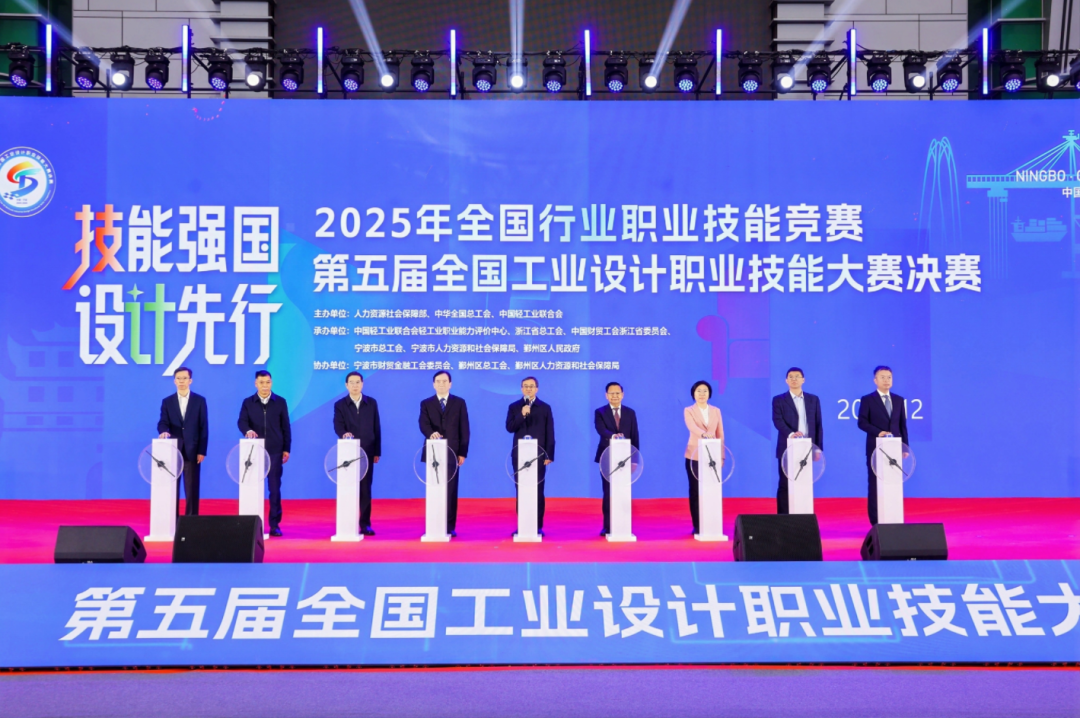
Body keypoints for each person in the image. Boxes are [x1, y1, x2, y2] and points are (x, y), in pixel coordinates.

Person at [237, 370, 291, 537]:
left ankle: (274, 525)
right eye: (261, 383)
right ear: (256, 384)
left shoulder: (280, 402)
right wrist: (248, 431)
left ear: (271, 383)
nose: (265, 386)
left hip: (275, 451)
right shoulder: (248, 402)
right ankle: (252, 525)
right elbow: (242, 422)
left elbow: (286, 426)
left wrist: (286, 448)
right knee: (253, 488)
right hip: (254, 452)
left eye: (268, 382)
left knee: (274, 489)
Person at [418, 370, 469, 537]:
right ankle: (434, 524)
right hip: (433, 451)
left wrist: (462, 452)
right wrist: (430, 433)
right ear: (433, 384)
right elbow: (423, 423)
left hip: (453, 452)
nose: (441, 384)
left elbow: (464, 429)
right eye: (438, 381)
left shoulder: (459, 403)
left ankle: (449, 526)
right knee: (434, 488)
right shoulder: (426, 403)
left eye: (444, 381)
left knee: (451, 490)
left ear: (450, 384)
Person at [856, 365, 908, 525]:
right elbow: (862, 422)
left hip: (894, 449)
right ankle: (875, 522)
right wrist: (878, 432)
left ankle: (893, 519)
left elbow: (902, 425)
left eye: (889, 377)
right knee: (875, 484)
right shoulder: (867, 399)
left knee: (893, 483)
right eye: (883, 377)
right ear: (875, 380)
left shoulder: (899, 400)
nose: (886, 380)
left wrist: (905, 446)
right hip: (875, 448)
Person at [333, 371, 381, 536]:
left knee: (365, 489)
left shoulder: (371, 403)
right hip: (348, 453)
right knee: (348, 487)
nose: (355, 385)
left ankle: (365, 524)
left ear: (362, 384)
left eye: (358, 382)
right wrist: (344, 434)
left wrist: (377, 451)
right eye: (351, 382)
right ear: (346, 385)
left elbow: (376, 427)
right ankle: (348, 522)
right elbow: (338, 425)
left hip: (367, 451)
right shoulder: (340, 405)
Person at [505, 376, 555, 535]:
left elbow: (550, 432)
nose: (528, 389)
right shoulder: (514, 407)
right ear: (521, 389)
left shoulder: (545, 408)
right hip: (519, 455)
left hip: (538, 456)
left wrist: (549, 454)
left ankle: (537, 526)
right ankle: (523, 525)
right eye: (525, 386)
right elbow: (510, 428)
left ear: (537, 389)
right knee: (521, 490)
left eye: (531, 386)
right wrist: (522, 414)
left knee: (538, 490)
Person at [771, 367, 824, 514]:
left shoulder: (813, 399)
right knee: (785, 484)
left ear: (803, 380)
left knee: (804, 483)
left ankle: (804, 517)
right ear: (786, 380)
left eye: (797, 376)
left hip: (807, 448)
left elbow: (818, 425)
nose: (794, 379)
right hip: (786, 447)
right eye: (791, 377)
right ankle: (783, 518)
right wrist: (791, 434)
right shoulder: (779, 400)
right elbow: (777, 421)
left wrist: (817, 449)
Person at [156, 366, 208, 516]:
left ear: (190, 380)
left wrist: (202, 450)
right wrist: (163, 431)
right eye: (178, 378)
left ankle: (191, 521)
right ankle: (173, 520)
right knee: (172, 489)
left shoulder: (199, 401)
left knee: (192, 489)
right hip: (173, 451)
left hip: (193, 451)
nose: (181, 381)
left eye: (185, 378)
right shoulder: (167, 402)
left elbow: (203, 426)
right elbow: (162, 422)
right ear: (174, 381)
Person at [593, 382, 639, 536]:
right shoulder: (600, 412)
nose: (615, 396)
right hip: (606, 457)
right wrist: (613, 436)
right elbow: (601, 429)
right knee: (608, 492)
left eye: (617, 393)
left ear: (622, 395)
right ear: (606, 395)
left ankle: (623, 524)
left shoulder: (630, 413)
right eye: (611, 393)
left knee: (623, 491)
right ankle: (607, 526)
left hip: (625, 458)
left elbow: (635, 436)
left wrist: (635, 460)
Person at [683, 380, 724, 535]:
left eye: (705, 391)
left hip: (712, 456)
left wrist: (721, 456)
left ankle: (711, 523)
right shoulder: (688, 410)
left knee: (711, 489)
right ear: (693, 394)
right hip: (694, 455)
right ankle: (698, 524)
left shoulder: (716, 411)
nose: (702, 394)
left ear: (709, 394)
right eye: (698, 391)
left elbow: (720, 433)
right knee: (695, 490)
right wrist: (704, 434)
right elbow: (692, 427)